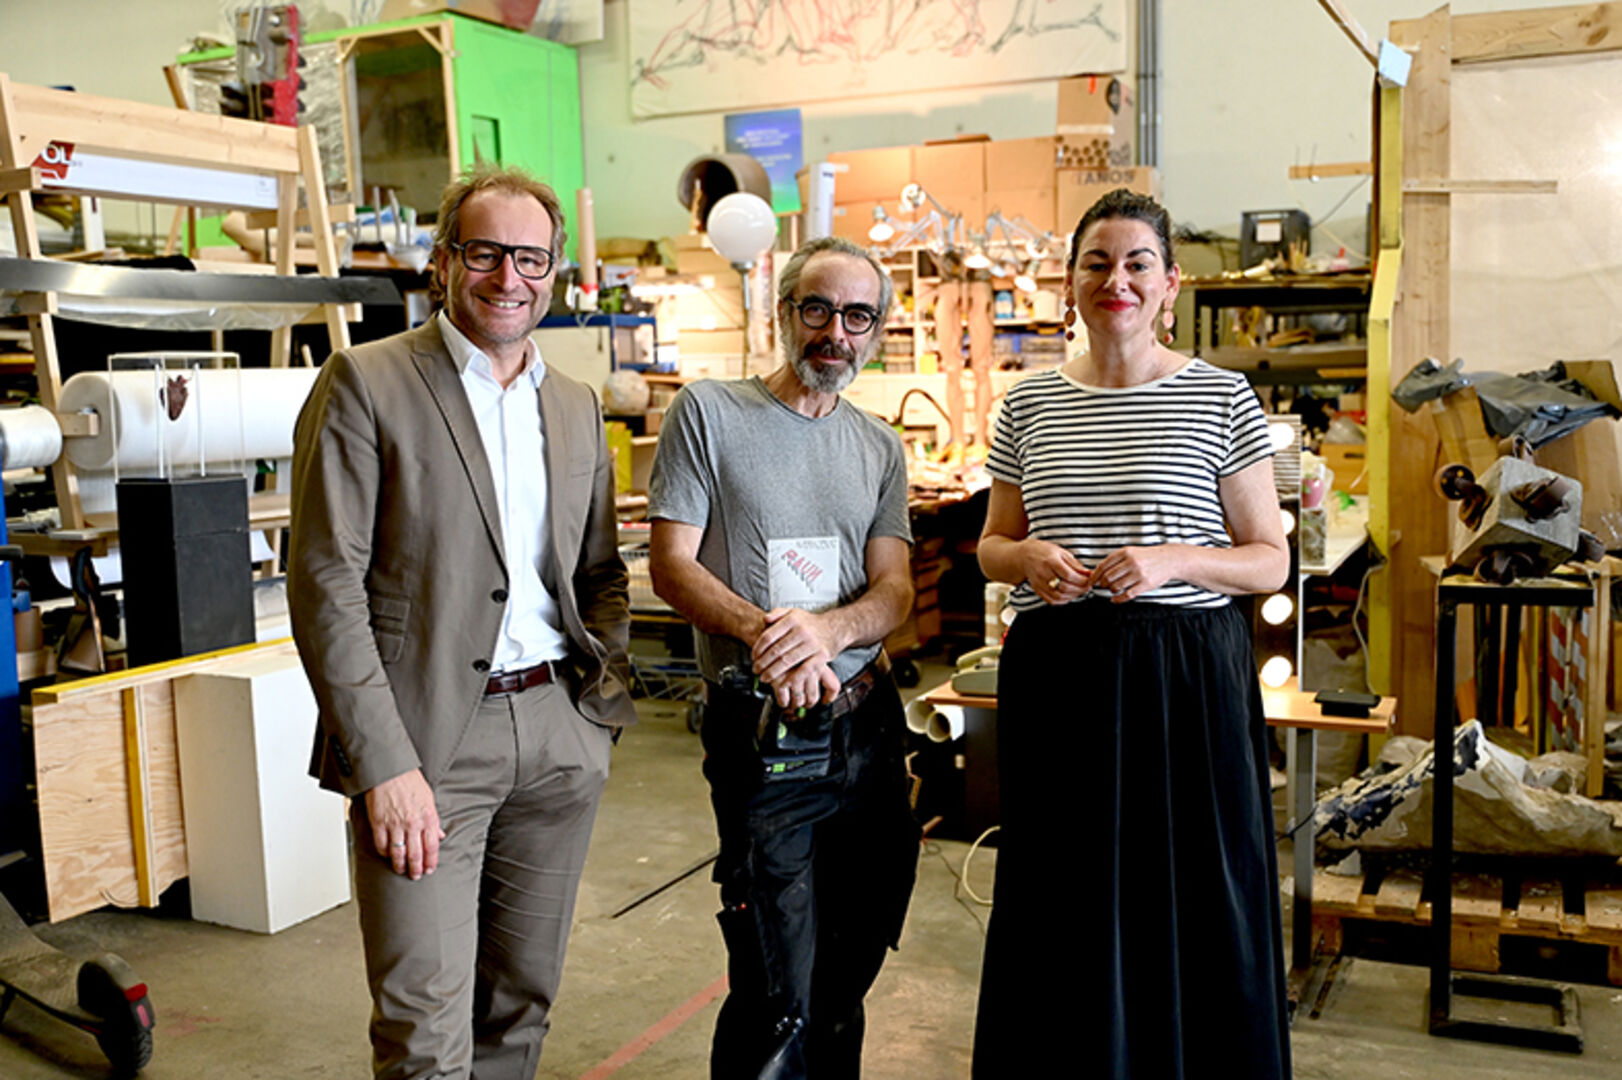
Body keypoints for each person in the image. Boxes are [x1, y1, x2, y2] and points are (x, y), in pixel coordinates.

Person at [288, 164, 635, 1080]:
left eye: (531, 259)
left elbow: (598, 569)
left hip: (558, 732)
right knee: (423, 1018)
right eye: (485, 253)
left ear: (554, 274)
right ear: (443, 262)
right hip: (429, 745)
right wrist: (384, 765)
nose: (508, 278)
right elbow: (327, 585)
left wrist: (596, 710)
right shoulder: (366, 383)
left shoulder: (572, 404)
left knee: (521, 1000)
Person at [972, 188, 1292, 1078]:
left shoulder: (1222, 396)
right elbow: (990, 548)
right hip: (1060, 671)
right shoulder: (1026, 405)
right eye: (1097, 262)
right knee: (1062, 889)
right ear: (1070, 283)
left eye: (1137, 262)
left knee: (1192, 881)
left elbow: (1269, 560)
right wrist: (1025, 555)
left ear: (1169, 284)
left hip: (1183, 673)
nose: (1117, 278)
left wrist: (1172, 560)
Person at [647, 235, 921, 1078]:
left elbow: (896, 592)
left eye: (856, 315)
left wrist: (830, 633)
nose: (834, 331)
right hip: (769, 740)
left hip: (868, 728)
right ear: (784, 313)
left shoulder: (878, 447)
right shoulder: (711, 413)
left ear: (876, 332)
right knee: (778, 991)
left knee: (850, 971)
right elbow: (672, 566)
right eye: (817, 309)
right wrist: (775, 636)